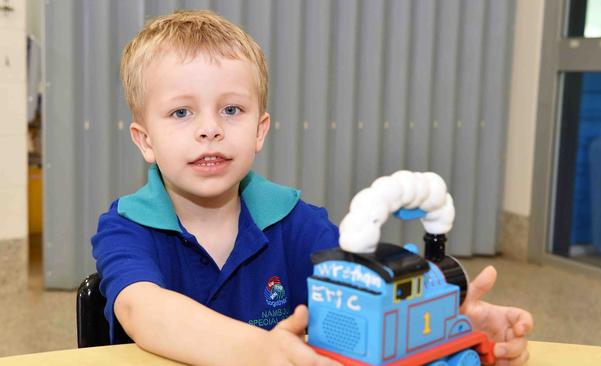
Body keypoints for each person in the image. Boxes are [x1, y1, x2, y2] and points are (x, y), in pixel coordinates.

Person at [92, 9, 533, 366]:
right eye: (182, 113)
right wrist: (262, 351)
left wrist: (448, 324)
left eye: (231, 109)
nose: (210, 129)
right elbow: (143, 311)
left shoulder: (296, 220)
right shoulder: (125, 226)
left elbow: (368, 295)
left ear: (260, 130)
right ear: (145, 140)